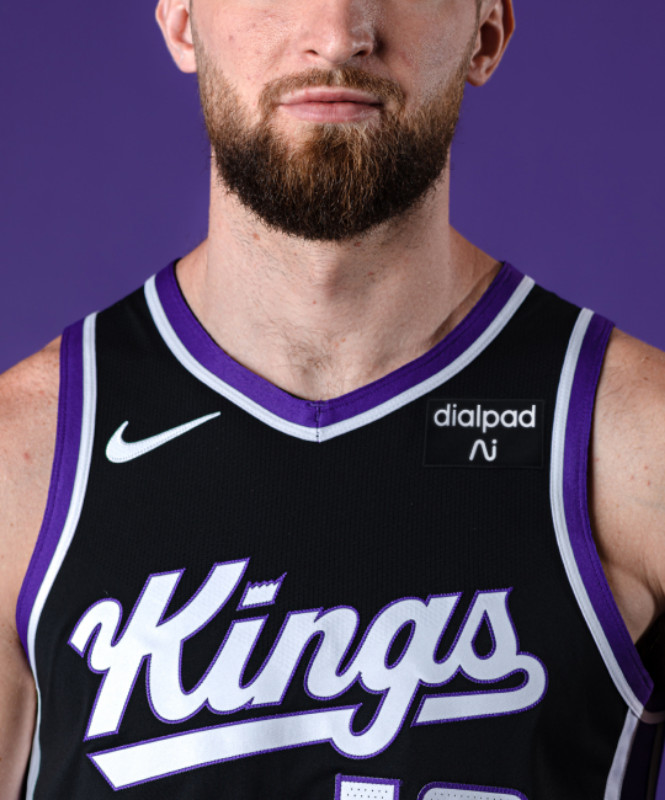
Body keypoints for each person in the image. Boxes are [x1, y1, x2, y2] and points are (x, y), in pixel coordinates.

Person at [1, 0, 664, 797]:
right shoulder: (24, 459)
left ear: (486, 33)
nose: (338, 33)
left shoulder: (635, 444)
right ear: (181, 21)